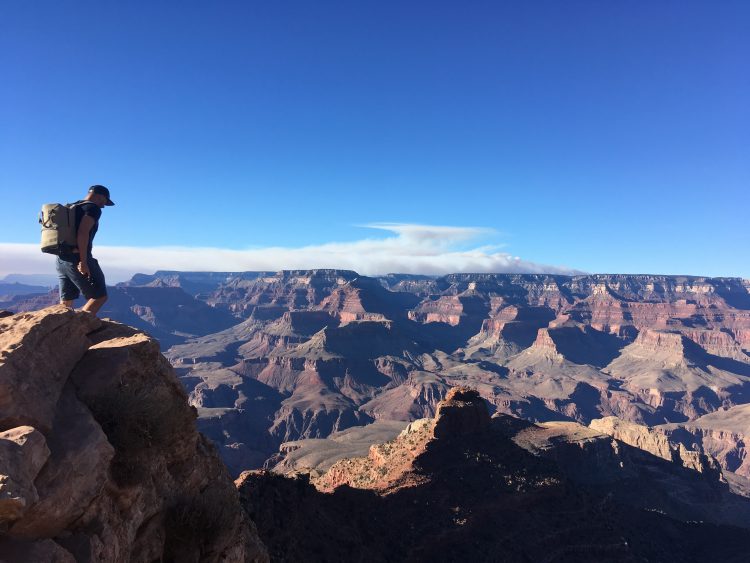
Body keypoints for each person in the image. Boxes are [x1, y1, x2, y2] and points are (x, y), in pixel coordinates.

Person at [56, 185, 114, 315]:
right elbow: (83, 233)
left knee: (67, 300)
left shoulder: (72, 207)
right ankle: (78, 326)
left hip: (61, 259)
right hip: (78, 258)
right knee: (99, 296)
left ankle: (62, 329)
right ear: (100, 196)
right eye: (104, 201)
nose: (103, 205)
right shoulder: (92, 208)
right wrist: (83, 261)